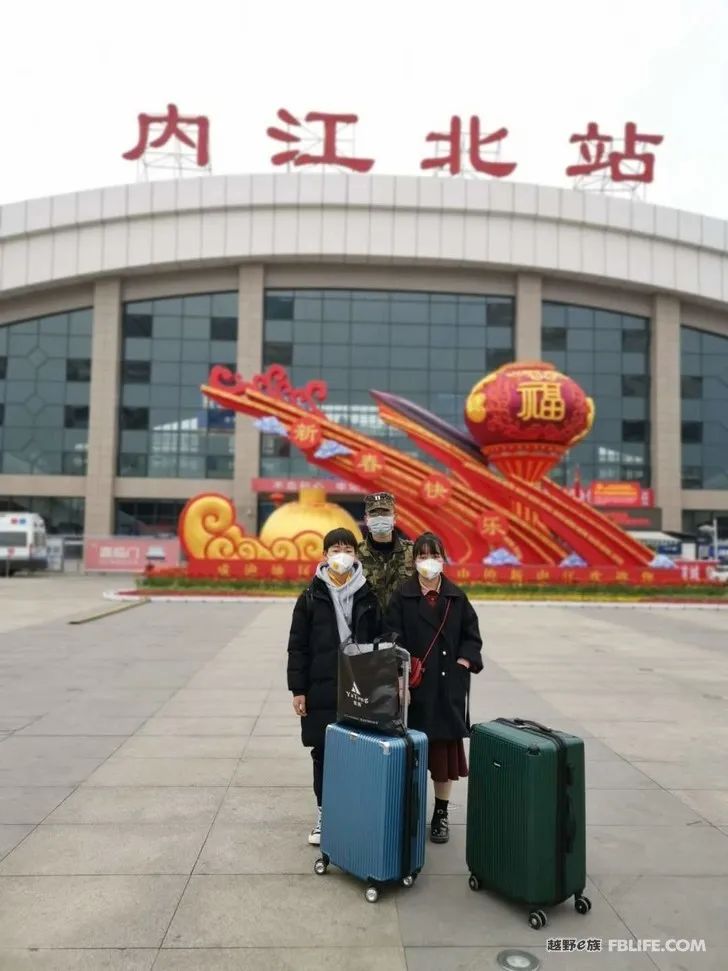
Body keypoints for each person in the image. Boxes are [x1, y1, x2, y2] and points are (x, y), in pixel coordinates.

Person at [386, 531, 483, 844]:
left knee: (443, 761)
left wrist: (462, 665)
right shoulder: (402, 596)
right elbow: (392, 639)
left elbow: (472, 637)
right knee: (412, 759)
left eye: (435, 555)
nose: (429, 562)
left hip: (448, 690)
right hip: (414, 690)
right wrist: (402, 679)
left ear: (444, 559)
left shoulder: (456, 596)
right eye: (423, 556)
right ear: (414, 561)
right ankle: (411, 814)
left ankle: (440, 814)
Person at [287, 527, 381, 845]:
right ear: (324, 555)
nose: (341, 554)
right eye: (335, 548)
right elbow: (297, 647)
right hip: (322, 686)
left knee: (360, 751)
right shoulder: (310, 597)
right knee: (324, 753)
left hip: (361, 686)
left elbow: (381, 641)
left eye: (347, 548)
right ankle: (324, 814)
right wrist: (298, 689)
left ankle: (355, 814)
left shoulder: (368, 595)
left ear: (356, 555)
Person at [357, 492, 415, 612]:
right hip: (368, 626)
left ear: (395, 517)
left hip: (402, 626)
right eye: (373, 513)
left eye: (385, 512)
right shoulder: (355, 554)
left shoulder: (412, 552)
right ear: (366, 519)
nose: (379, 517)